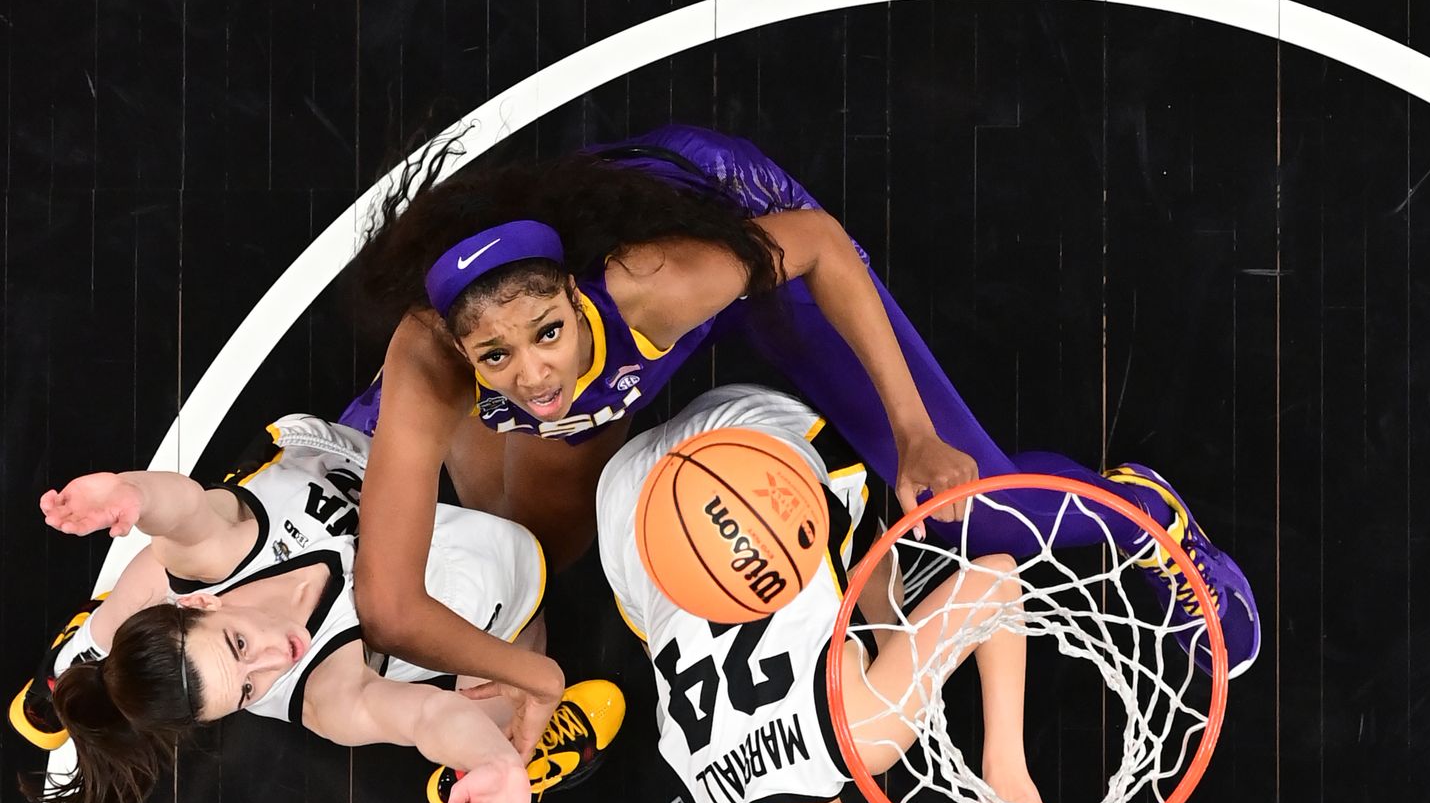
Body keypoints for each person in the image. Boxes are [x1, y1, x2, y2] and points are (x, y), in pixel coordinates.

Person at [340, 125, 1259, 729]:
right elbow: (387, 605)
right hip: (608, 306)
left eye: (546, 335)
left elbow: (815, 244)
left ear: (577, 297)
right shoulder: (429, 363)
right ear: (459, 352)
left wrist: (910, 431)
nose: (531, 373)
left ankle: (1146, 518)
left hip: (745, 223)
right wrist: (526, 673)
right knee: (530, 539)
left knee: (975, 513)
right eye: (496, 357)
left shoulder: (656, 278)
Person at [13, 415, 622, 803]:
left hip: (347, 458)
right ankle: (489, 769)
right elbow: (427, 713)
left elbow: (180, 509)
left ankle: (78, 655)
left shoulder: (208, 557)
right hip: (440, 562)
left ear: (204, 601)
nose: (283, 657)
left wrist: (130, 492)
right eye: (250, 690)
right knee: (511, 618)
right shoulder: (322, 695)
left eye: (240, 649)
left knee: (142, 579)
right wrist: (491, 761)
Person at [597, 386, 1060, 803]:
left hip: (746, 442)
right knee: (670, 619)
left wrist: (1005, 771)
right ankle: (889, 609)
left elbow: (996, 578)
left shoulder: (868, 738)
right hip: (626, 498)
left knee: (905, 675)